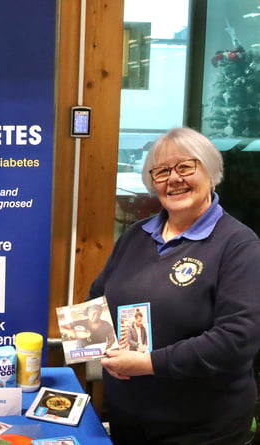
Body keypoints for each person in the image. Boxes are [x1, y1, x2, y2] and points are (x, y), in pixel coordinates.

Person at [90, 127, 260, 444]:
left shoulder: (239, 245)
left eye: (185, 167)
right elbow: (96, 299)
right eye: (162, 171)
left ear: (210, 171)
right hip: (128, 421)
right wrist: (103, 348)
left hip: (201, 431)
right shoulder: (137, 234)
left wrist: (150, 364)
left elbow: (238, 339)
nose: (174, 179)